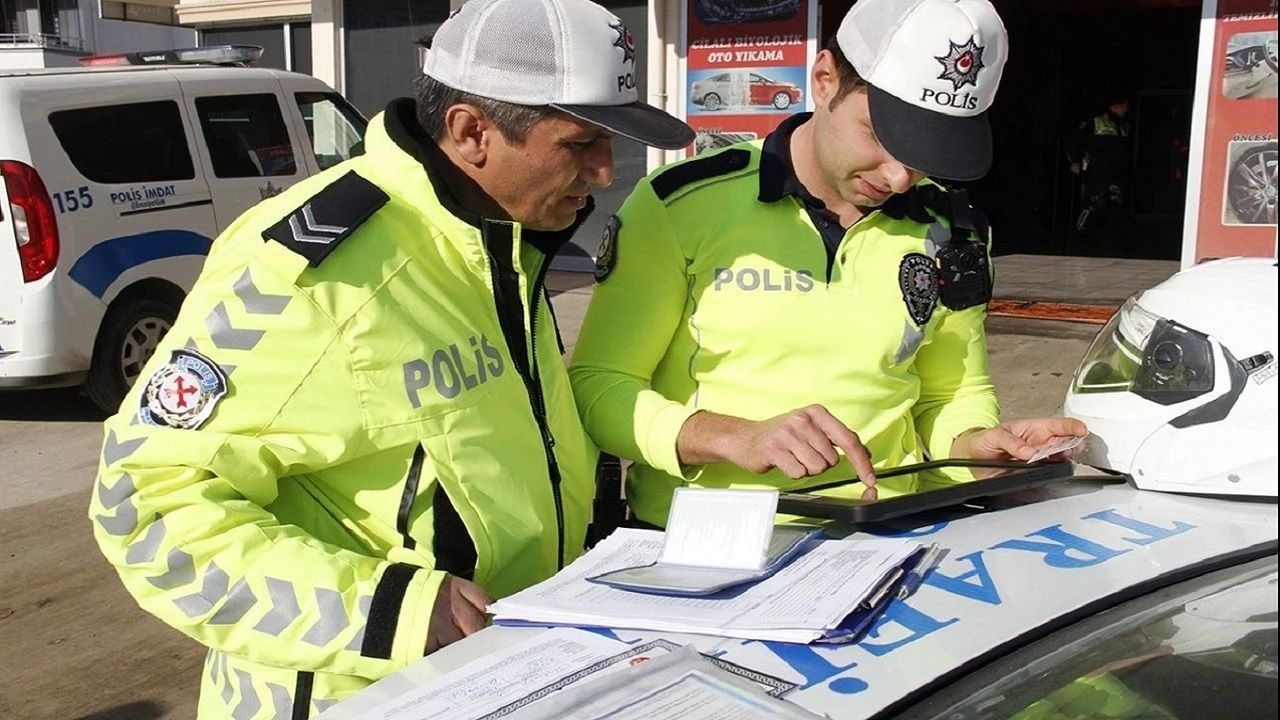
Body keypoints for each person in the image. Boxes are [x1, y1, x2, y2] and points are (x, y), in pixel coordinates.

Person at [87, 0, 693, 716]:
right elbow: (144, 508)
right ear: (471, 132)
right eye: (582, 142)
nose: (603, 170)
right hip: (356, 695)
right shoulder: (315, 272)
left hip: (501, 673)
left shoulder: (499, 242)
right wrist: (387, 611)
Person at [569, 0, 1086, 529]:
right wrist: (729, 435)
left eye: (928, 151)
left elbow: (952, 393)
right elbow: (600, 386)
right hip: (705, 544)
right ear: (823, 80)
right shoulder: (680, 203)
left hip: (889, 535)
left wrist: (978, 447)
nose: (900, 177)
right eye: (883, 137)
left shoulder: (954, 229)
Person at [1068, 93, 1132, 233]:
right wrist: (1074, 161)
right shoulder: (1095, 121)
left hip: (1116, 174)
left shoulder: (1124, 126)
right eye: (1125, 106)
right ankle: (1082, 234)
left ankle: (1110, 239)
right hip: (1096, 172)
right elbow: (1075, 142)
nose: (1126, 109)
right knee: (1094, 205)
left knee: (1115, 206)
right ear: (1116, 106)